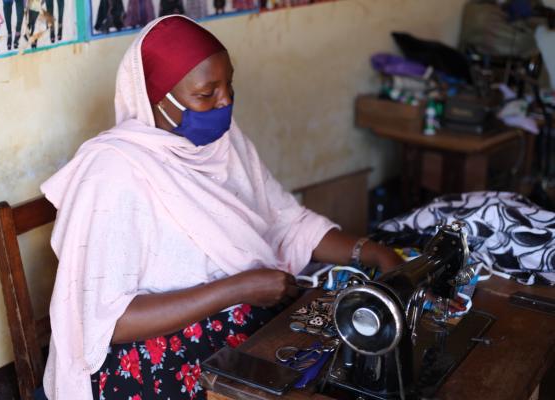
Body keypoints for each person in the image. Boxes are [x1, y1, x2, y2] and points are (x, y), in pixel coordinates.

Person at [40, 15, 404, 400]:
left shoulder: (225, 145)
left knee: (354, 357)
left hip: (241, 318)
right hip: (153, 355)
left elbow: (285, 222)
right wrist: (238, 288)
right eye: (207, 93)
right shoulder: (115, 173)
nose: (226, 101)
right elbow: (109, 322)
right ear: (157, 97)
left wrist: (374, 252)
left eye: (229, 84)